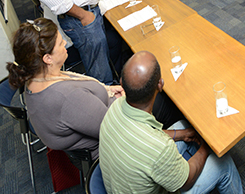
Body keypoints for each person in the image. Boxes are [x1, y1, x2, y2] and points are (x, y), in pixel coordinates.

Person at [6, 19, 182, 159]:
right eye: (60, 43)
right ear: (47, 58)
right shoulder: (67, 98)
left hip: (108, 110)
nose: (66, 44)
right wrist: (127, 100)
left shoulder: (35, 79)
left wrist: (110, 90)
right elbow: (118, 129)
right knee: (165, 100)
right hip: (116, 145)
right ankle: (185, 138)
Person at [99, 51, 243, 194]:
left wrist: (182, 134)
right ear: (160, 85)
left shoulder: (115, 107)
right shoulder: (159, 148)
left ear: (122, 83)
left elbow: (146, 134)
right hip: (167, 177)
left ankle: (185, 162)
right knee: (224, 162)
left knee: (183, 126)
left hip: (121, 182)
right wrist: (206, 147)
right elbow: (186, 182)